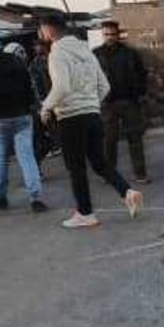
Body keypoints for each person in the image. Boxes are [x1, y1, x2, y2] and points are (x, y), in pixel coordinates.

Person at [38, 14, 143, 228]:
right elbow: (104, 86)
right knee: (100, 163)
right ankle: (127, 192)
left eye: (42, 29)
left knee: (76, 167)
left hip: (70, 117)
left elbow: (62, 87)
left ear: (49, 30)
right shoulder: (86, 51)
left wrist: (46, 107)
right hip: (92, 114)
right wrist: (91, 103)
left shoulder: (57, 53)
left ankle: (85, 213)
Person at [0, 29, 46, 212]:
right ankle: (35, 197)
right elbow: (29, 87)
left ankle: (0, 196)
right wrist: (29, 108)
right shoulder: (15, 60)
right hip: (22, 116)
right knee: (26, 155)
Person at [94, 21, 150, 183]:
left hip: (129, 101)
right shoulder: (95, 54)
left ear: (118, 35)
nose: (110, 37)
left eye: (112, 34)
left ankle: (140, 173)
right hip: (107, 103)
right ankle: (110, 174)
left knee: (135, 138)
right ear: (102, 35)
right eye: (106, 34)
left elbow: (142, 73)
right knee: (109, 140)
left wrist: (140, 91)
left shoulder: (130, 53)